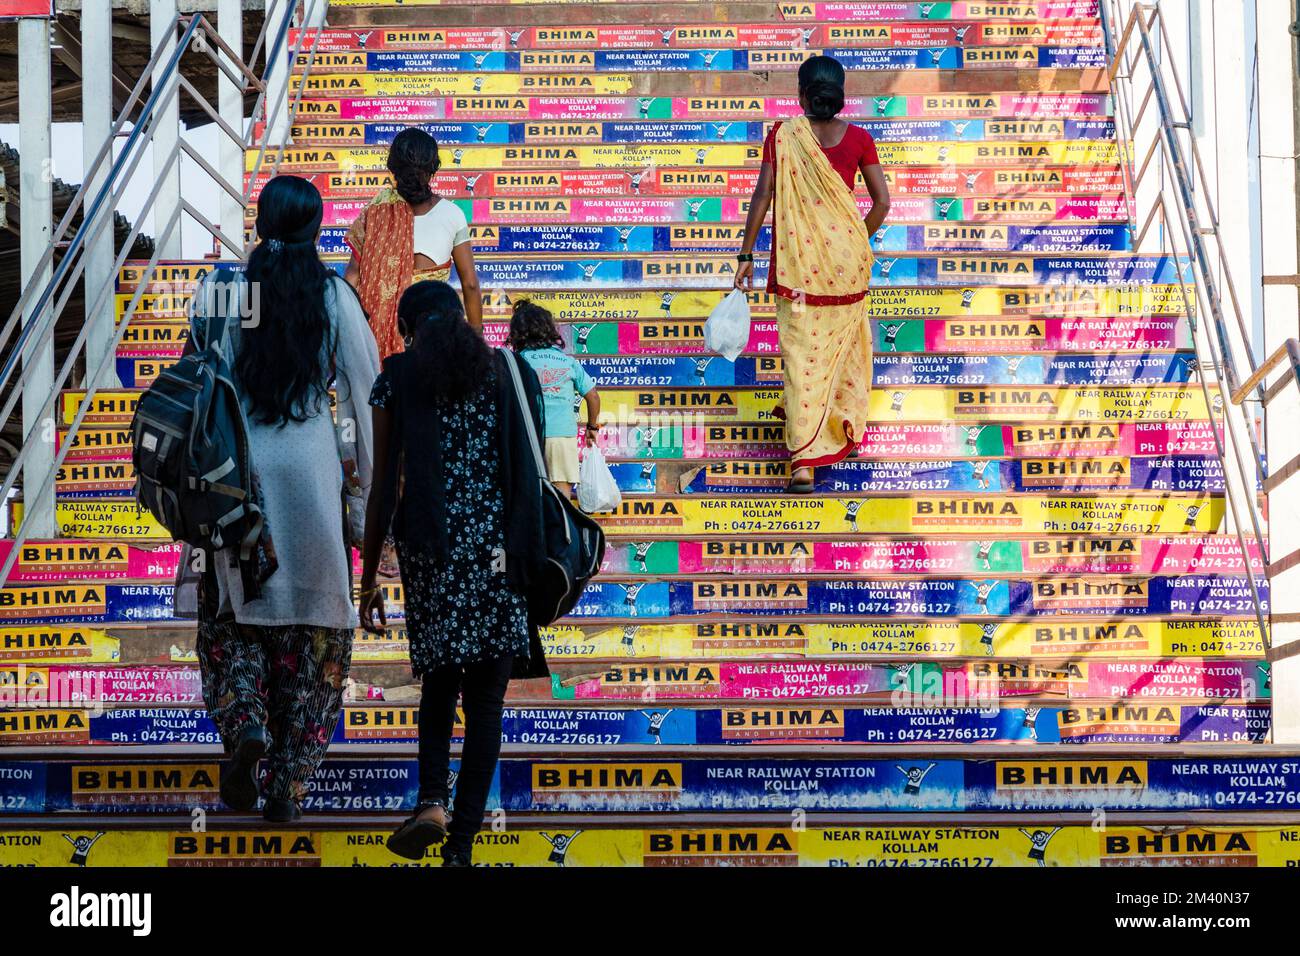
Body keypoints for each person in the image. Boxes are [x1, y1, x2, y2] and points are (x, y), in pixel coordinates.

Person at [177, 175, 380, 822]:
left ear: (261, 224)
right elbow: (365, 392)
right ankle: (288, 785)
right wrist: (364, 501)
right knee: (317, 638)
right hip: (312, 473)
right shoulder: (333, 297)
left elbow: (199, 375)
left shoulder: (231, 293)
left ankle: (247, 730)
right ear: (316, 229)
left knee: (232, 621)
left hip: (239, 477)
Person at [358, 281, 550, 867]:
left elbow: (383, 485)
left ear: (412, 330)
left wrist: (368, 576)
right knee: (486, 702)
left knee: (439, 687)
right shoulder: (506, 371)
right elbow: (530, 459)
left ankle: (432, 802)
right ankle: (461, 846)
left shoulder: (396, 377)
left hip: (432, 556)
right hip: (499, 555)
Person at [735, 55, 891, 493]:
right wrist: (854, 241)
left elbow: (763, 195)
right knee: (844, 349)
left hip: (801, 265)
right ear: (840, 93)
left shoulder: (783, 136)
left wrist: (745, 254)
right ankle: (843, 432)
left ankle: (803, 461)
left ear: (801, 93)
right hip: (848, 264)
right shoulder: (859, 137)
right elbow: (882, 203)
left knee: (803, 354)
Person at [344, 127, 483, 359]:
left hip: (375, 342)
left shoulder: (374, 212)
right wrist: (478, 338)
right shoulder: (452, 214)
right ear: (432, 169)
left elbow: (352, 275)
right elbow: (470, 284)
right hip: (434, 338)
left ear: (393, 169)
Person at [507, 299, 602, 496]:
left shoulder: (518, 362)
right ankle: (562, 527)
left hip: (529, 438)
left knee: (531, 497)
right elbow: (592, 396)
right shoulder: (567, 361)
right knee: (563, 501)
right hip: (562, 437)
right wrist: (592, 427)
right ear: (549, 329)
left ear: (517, 332)